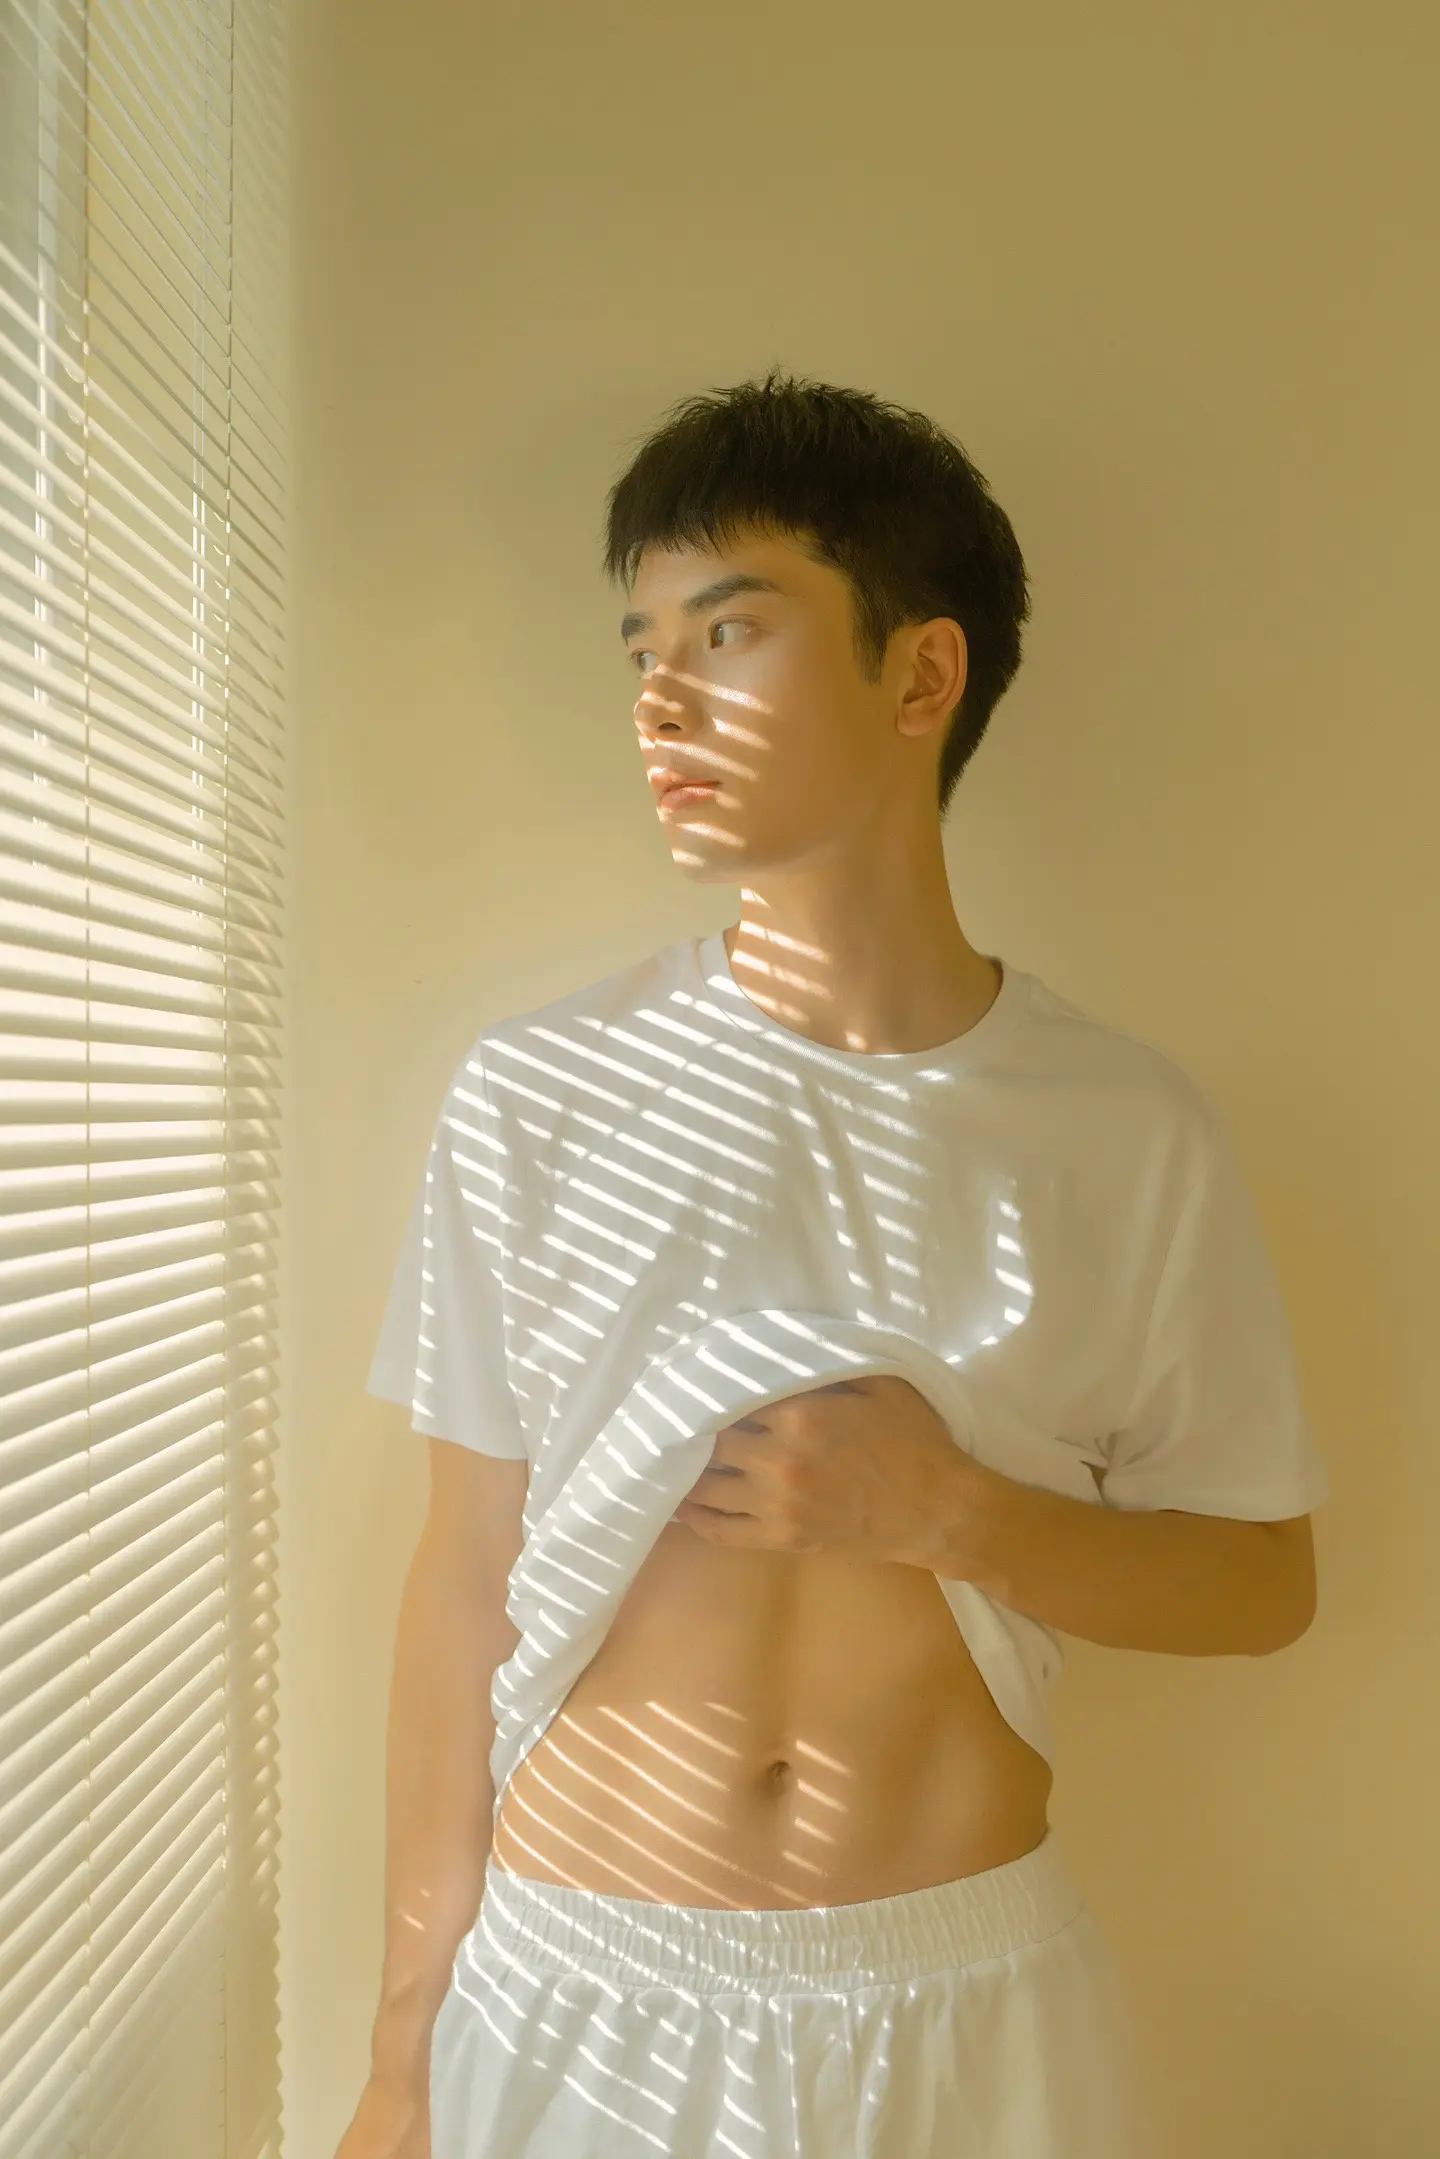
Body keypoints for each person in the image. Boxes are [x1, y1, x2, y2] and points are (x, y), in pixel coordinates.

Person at [337, 369, 1329, 2159]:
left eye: (729, 630)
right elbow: (465, 1581)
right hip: (580, 1997)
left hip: (961, 2011)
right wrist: (405, 2054)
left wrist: (955, 1512)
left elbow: (1261, 1582)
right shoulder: (542, 1096)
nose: (660, 695)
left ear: (921, 675)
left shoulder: (1122, 1129)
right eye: (641, 647)